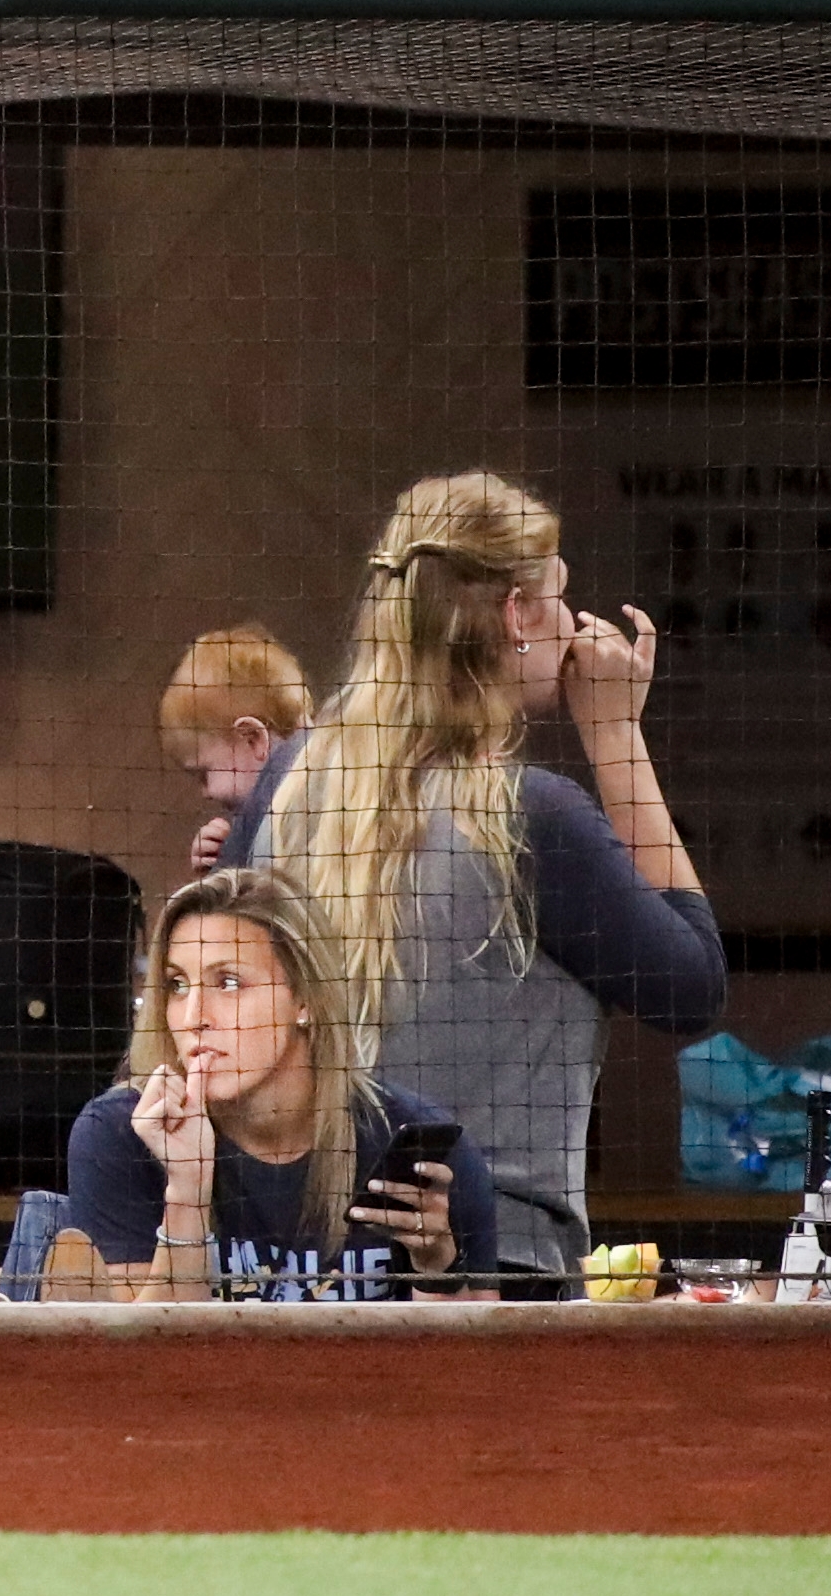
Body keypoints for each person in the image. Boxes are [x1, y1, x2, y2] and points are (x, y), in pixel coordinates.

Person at [220, 470, 726, 1283]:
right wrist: (616, 736)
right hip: (497, 1274)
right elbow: (692, 986)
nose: (571, 622)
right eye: (558, 596)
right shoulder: (530, 818)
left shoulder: (283, 784)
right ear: (518, 616)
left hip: (296, 1276)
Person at [65, 870, 497, 1301]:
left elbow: (481, 1368)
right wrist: (186, 1194)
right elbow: (142, 1363)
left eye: (228, 983)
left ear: (305, 1000)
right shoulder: (122, 1134)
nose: (194, 1015)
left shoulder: (414, 1144)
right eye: (177, 985)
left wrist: (435, 1265)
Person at [163, 624, 309, 874]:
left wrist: (228, 868)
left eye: (204, 774)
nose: (205, 793)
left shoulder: (282, 821)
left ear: (253, 739)